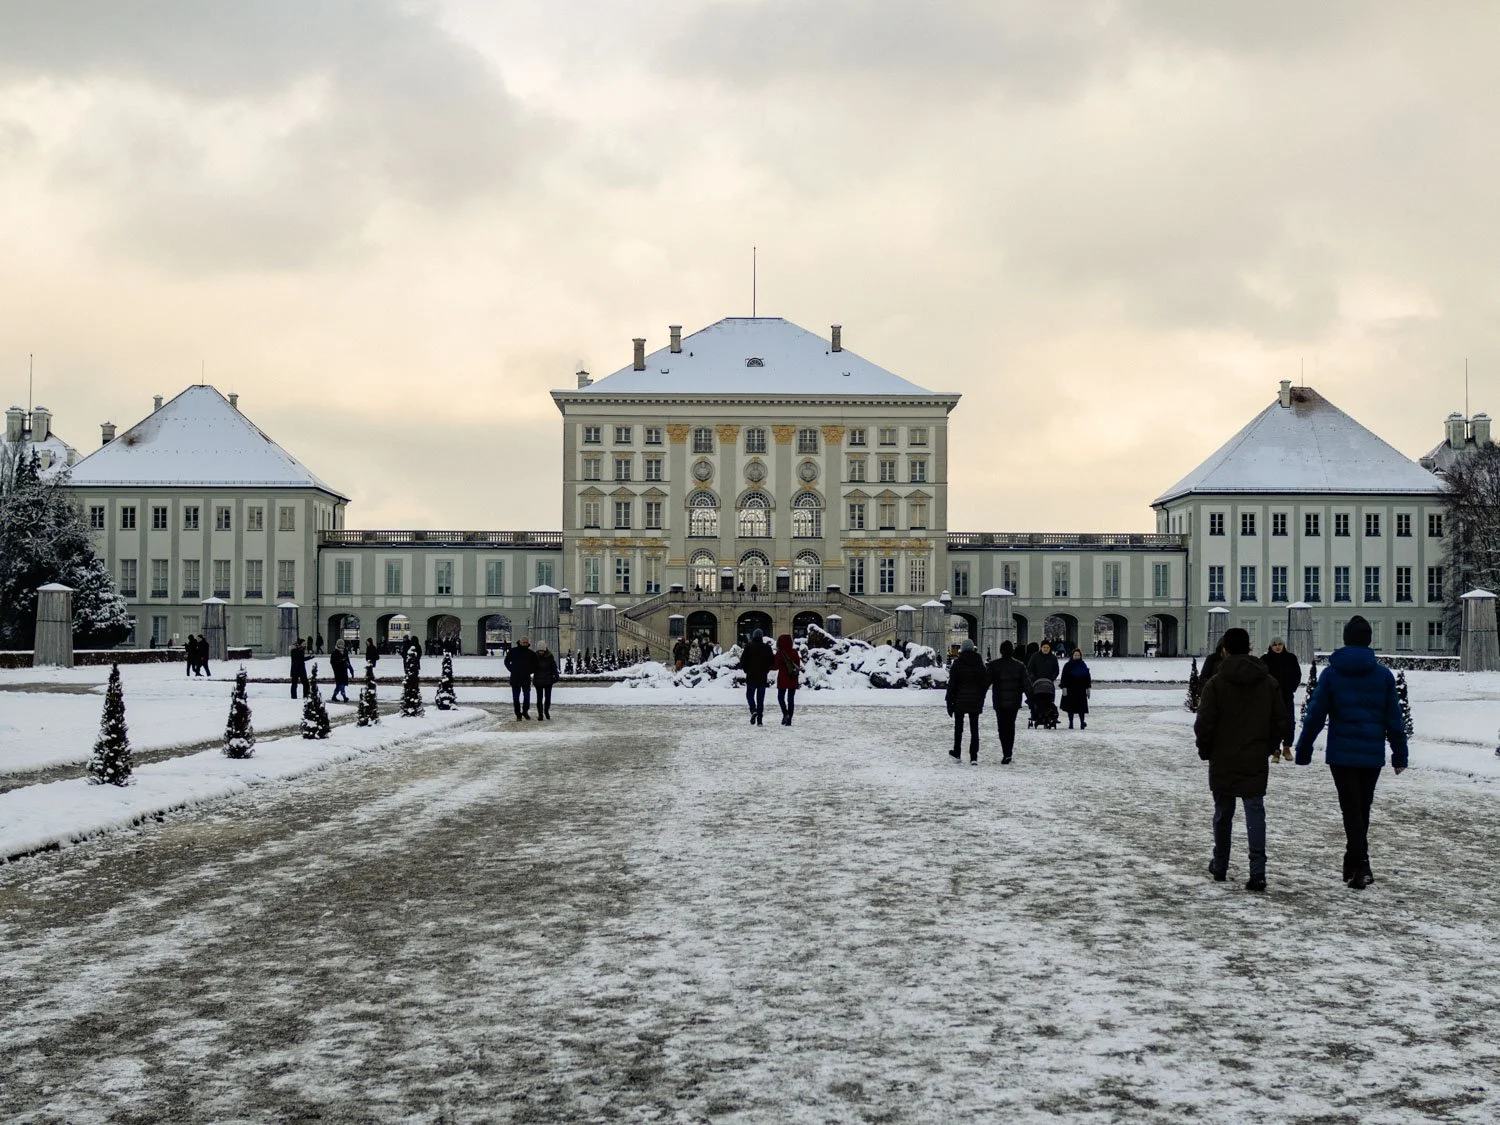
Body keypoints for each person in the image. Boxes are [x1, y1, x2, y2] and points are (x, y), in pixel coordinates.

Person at [1294, 616, 1408, 890]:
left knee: (1351, 809)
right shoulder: (1382, 675)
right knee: (1361, 808)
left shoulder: (1332, 674)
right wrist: (1399, 753)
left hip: (1342, 754)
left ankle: (1361, 862)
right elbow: (1394, 719)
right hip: (1371, 754)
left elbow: (1315, 715)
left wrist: (1304, 748)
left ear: (1344, 639)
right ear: (1369, 640)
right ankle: (1353, 861)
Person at [1194, 627, 1290, 892]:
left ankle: (1221, 866)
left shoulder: (1216, 683)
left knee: (1223, 813)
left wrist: (1206, 750)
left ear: (1224, 651)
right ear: (1250, 649)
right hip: (1254, 755)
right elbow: (1280, 721)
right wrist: (1266, 746)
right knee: (1255, 813)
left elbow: (1204, 723)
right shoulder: (1267, 682)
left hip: (1222, 756)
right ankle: (1257, 872)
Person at [985, 640, 1030, 764]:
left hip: (999, 701)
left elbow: (985, 683)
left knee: (1002, 727)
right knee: (1011, 726)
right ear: (1012, 651)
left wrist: (979, 697)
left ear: (1000, 651)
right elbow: (1027, 685)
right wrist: (1032, 701)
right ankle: (1009, 751)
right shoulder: (1020, 666)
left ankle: (1005, 751)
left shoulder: (993, 665)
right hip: (1014, 702)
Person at [945, 638, 990, 763]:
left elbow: (951, 685)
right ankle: (973, 756)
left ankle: (957, 752)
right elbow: (985, 682)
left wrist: (949, 701)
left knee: (958, 728)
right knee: (974, 728)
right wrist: (981, 695)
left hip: (959, 700)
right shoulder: (979, 664)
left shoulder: (957, 664)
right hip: (975, 700)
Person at [1261, 637, 1302, 762]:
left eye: (1280, 644)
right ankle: (1275, 749)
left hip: (1287, 696)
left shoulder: (1290, 658)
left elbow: (1297, 674)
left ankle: (1287, 747)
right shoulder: (1265, 660)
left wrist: (1291, 688)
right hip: (1271, 698)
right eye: (1274, 645)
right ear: (1271, 646)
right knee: (1273, 723)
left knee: (1289, 722)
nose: (1277, 647)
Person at [737, 629, 774, 726]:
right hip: (762, 676)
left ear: (753, 636)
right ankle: (760, 720)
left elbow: (743, 661)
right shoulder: (767, 647)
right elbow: (771, 661)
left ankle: (753, 710)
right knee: (760, 699)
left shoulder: (749, 646)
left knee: (749, 695)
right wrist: (766, 669)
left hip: (751, 675)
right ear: (761, 636)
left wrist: (746, 670)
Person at [504, 637, 538, 719]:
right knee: (516, 697)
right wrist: (512, 669)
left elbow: (535, 664)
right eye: (524, 642)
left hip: (526, 678)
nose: (525, 644)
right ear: (520, 642)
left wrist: (529, 671)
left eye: (526, 642)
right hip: (515, 677)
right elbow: (506, 661)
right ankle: (518, 713)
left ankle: (525, 711)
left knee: (527, 696)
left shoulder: (531, 653)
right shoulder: (513, 651)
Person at [1059, 648, 1092, 730]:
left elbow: (1087, 677)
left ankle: (1082, 723)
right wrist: (1064, 687)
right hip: (1070, 689)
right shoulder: (1068, 665)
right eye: (1075, 655)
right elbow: (1064, 677)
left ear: (1080, 656)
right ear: (1072, 656)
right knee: (1070, 708)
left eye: (1078, 655)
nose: (1077, 656)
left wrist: (1088, 687)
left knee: (1082, 708)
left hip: (1081, 689)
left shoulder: (1083, 665)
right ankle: (1071, 723)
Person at [772, 634, 801, 726]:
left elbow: (775, 666)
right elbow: (798, 665)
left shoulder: (780, 653)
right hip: (792, 678)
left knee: (780, 697)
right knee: (790, 699)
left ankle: (785, 714)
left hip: (783, 678)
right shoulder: (794, 652)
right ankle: (789, 719)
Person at [533, 643, 558, 720]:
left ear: (545, 650)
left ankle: (546, 711)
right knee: (539, 698)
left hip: (548, 680)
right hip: (538, 680)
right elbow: (531, 666)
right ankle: (540, 714)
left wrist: (556, 675)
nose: (541, 652)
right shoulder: (534, 656)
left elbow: (554, 666)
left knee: (548, 698)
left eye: (542, 650)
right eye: (539, 650)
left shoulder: (550, 656)